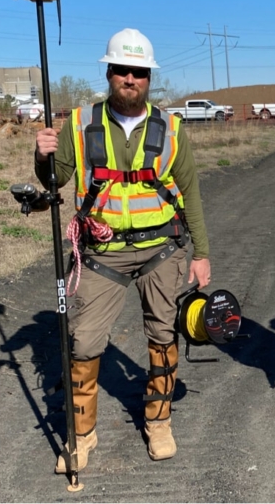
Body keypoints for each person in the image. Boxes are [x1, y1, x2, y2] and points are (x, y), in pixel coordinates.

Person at [34, 28, 211, 472]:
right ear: (109, 72)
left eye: (139, 72)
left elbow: (190, 190)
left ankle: (159, 421)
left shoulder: (171, 127)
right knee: (84, 341)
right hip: (100, 252)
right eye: (121, 70)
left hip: (161, 250)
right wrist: (42, 156)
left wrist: (202, 253)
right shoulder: (79, 123)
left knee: (163, 336)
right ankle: (82, 435)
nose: (130, 78)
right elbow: (54, 182)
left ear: (149, 78)